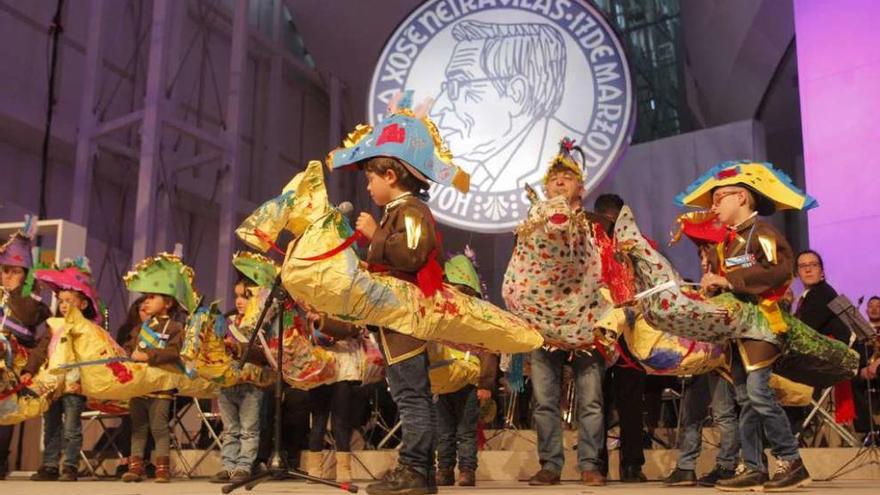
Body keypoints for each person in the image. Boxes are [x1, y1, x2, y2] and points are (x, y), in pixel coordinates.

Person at [327, 90, 470, 495]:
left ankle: (414, 469)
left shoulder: (411, 212)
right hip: (395, 320)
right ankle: (416, 472)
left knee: (412, 397)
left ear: (391, 176)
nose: (368, 186)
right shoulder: (398, 211)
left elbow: (412, 254)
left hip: (407, 319)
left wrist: (374, 237)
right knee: (407, 394)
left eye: (370, 177)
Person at [677, 160, 814, 491]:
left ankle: (791, 460)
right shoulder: (728, 242)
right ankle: (755, 467)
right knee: (746, 399)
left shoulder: (762, 233)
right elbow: (730, 280)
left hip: (764, 326)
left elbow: (780, 270)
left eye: (720, 197)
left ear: (741, 197)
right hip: (738, 331)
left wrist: (728, 280)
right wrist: (714, 284)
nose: (714, 205)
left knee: (757, 393)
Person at [524, 139, 609, 487]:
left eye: (567, 177)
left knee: (591, 401)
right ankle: (550, 465)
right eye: (554, 178)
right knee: (545, 401)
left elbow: (608, 269)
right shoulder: (533, 222)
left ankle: (589, 463)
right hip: (545, 324)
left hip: (587, 322)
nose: (559, 182)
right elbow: (523, 269)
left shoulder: (595, 224)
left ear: (581, 187)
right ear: (546, 187)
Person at [120, 253, 199, 483]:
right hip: (139, 386)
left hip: (162, 387)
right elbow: (129, 347)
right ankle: (136, 467)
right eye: (144, 297)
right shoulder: (140, 327)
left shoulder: (175, 327)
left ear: (168, 302)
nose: (145, 302)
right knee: (138, 427)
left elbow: (175, 352)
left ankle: (162, 468)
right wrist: (125, 354)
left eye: (151, 297)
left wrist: (148, 355)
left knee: (159, 427)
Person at [24, 259, 100, 482]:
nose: (64, 304)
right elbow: (40, 350)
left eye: (69, 300)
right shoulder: (53, 325)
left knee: (71, 428)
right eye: (61, 301)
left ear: (83, 304)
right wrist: (29, 369)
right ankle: (49, 465)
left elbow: (94, 354)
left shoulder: (87, 328)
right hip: (52, 383)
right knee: (51, 426)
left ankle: (70, 465)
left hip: (74, 384)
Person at [593, 193, 648, 483]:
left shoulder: (636, 246)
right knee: (602, 400)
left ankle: (616, 465)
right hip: (603, 334)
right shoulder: (589, 246)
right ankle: (613, 465)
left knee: (619, 401)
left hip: (628, 334)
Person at [210, 252, 275, 483]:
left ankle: (245, 466)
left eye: (246, 296)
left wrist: (238, 348)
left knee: (249, 428)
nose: (239, 301)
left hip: (252, 384)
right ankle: (229, 465)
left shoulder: (263, 323)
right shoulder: (227, 321)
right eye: (237, 296)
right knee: (230, 429)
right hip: (228, 383)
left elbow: (266, 354)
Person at [434, 251, 498, 487]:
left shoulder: (478, 315)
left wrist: (485, 384)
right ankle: (444, 469)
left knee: (465, 430)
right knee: (444, 430)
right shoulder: (441, 314)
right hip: (445, 379)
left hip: (470, 382)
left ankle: (467, 470)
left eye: (455, 286)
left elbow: (488, 351)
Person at [0, 218, 51, 480]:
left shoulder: (32, 299)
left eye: (15, 271)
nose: (8, 275)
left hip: (13, 364)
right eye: (4, 270)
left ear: (26, 274)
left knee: (4, 412)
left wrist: (17, 291)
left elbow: (30, 320)